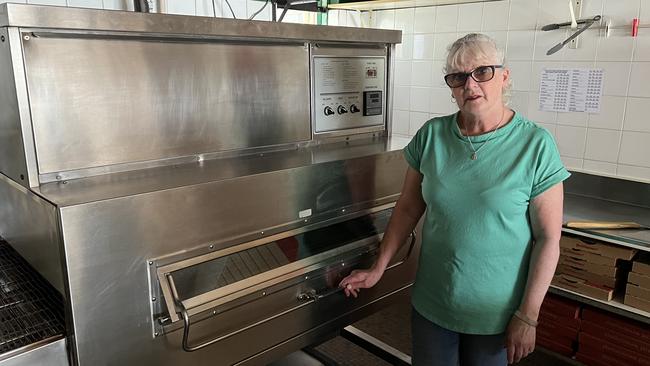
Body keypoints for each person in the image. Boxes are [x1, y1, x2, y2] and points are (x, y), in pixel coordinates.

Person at [339, 33, 569, 366]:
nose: (470, 85)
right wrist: (379, 267)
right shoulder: (432, 136)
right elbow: (407, 208)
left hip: (496, 313)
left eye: (482, 72)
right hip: (434, 303)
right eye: (458, 77)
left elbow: (548, 238)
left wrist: (528, 315)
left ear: (504, 77)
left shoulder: (535, 145)